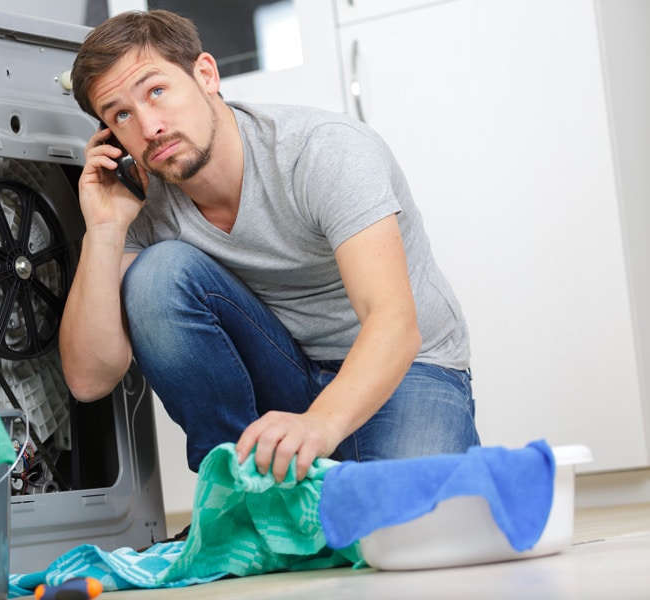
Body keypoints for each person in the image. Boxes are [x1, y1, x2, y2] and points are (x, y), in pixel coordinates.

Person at [59, 9, 480, 482]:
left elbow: (395, 324)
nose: (149, 127)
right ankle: (238, 492)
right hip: (287, 372)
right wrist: (104, 229)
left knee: (405, 529)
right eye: (121, 115)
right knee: (156, 273)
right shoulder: (141, 200)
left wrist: (320, 424)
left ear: (205, 74)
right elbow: (89, 379)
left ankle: (313, 488)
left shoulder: (323, 151)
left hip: (404, 371)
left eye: (156, 91)